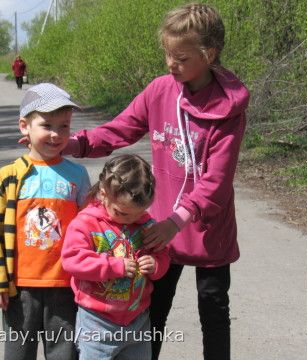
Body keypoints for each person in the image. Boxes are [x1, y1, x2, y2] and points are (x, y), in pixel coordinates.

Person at [61, 3, 250, 359]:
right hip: (158, 226)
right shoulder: (161, 91)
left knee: (213, 308)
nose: (170, 64)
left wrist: (176, 222)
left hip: (205, 226)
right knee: (154, 309)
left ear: (208, 54)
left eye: (180, 57)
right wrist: (75, 144)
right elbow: (119, 129)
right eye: (167, 54)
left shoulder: (228, 111)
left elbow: (217, 182)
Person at [0, 83, 91, 360]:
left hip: (65, 286)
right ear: (25, 127)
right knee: (18, 355)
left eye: (64, 126)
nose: (56, 134)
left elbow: (90, 228)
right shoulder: (8, 176)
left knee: (64, 354)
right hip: (20, 290)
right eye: (47, 125)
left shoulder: (77, 175)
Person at [61, 154, 170, 360]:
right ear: (103, 194)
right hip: (97, 320)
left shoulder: (144, 223)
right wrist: (113, 266)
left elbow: (162, 254)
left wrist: (156, 265)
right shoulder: (86, 223)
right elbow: (72, 260)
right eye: (123, 213)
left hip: (137, 318)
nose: (134, 219)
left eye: (139, 213)